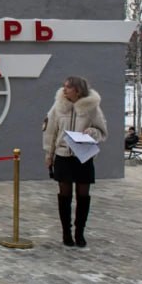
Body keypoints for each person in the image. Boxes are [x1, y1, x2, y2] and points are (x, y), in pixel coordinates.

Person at [42, 76, 108, 248]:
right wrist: (49, 155)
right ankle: (66, 232)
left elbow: (102, 131)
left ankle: (80, 232)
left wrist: (92, 132)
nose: (64, 90)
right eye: (64, 87)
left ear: (78, 90)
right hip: (63, 154)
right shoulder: (58, 106)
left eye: (68, 87)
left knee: (83, 195)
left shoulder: (91, 107)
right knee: (64, 195)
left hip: (83, 156)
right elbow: (50, 132)